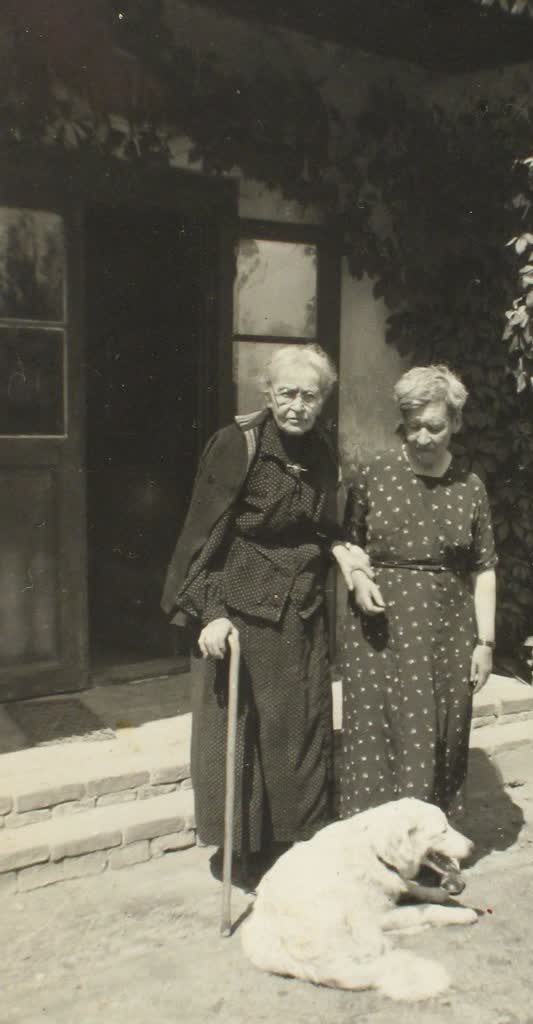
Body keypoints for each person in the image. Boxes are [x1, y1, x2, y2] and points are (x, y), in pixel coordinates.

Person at [161, 343, 370, 884]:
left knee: (299, 729)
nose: (297, 405)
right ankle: (242, 852)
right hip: (237, 609)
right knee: (240, 734)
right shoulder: (238, 444)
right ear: (269, 393)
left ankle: (294, 847)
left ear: (323, 399)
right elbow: (203, 535)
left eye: (309, 396)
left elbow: (325, 526)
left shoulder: (322, 451)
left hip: (300, 609)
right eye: (287, 393)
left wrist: (343, 552)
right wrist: (210, 613)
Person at [339, 364, 498, 819]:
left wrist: (485, 643)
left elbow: (484, 569)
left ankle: (427, 842)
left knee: (437, 733)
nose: (423, 438)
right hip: (379, 631)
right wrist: (358, 577)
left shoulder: (470, 488)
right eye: (413, 427)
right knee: (375, 734)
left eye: (434, 427)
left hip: (446, 633)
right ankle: (372, 843)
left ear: (456, 423)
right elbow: (347, 542)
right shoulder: (375, 473)